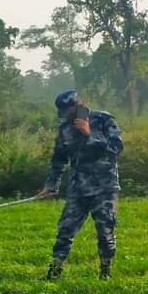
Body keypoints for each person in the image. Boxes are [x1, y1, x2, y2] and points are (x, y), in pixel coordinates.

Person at [36, 90, 123, 281]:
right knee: (64, 230)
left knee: (105, 232)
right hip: (78, 188)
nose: (67, 116)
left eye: (69, 112)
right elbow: (58, 160)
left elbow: (116, 148)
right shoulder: (65, 129)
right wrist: (51, 185)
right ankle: (54, 272)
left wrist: (89, 134)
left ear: (78, 105)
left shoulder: (103, 119)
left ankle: (105, 273)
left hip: (105, 187)